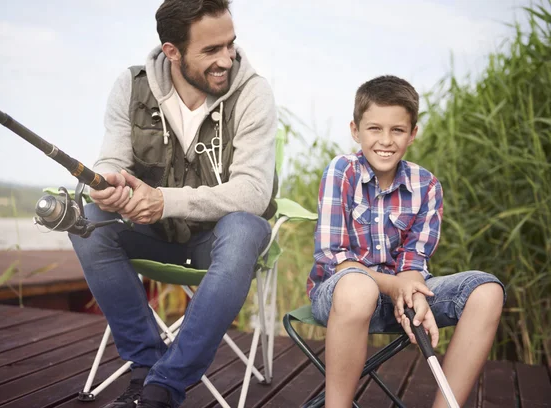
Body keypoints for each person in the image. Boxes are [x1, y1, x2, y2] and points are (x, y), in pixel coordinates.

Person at [69, 1, 277, 407]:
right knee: (88, 218)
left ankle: (164, 387)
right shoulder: (130, 86)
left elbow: (253, 192)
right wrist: (107, 182)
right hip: (153, 237)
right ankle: (146, 367)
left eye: (230, 45)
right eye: (211, 50)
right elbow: (112, 159)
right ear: (172, 51)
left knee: (245, 228)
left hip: (215, 242)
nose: (227, 59)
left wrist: (164, 201)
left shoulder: (254, 92)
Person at [308, 75, 505, 408]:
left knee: (488, 292)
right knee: (359, 287)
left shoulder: (426, 185)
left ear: (412, 134)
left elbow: (414, 261)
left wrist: (411, 290)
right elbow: (336, 257)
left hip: (402, 297)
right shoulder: (342, 171)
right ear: (355, 131)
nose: (386, 140)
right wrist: (395, 286)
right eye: (374, 129)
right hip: (344, 299)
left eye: (397, 130)